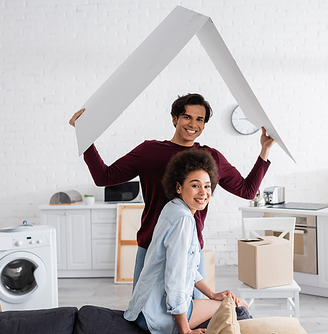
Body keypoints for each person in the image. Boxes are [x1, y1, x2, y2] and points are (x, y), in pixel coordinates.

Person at [69, 93, 275, 293]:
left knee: (192, 313)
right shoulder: (148, 151)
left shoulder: (211, 157)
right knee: (143, 315)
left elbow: (248, 191)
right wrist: (85, 136)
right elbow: (104, 177)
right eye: (187, 117)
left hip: (190, 250)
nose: (193, 124)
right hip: (150, 247)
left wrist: (264, 150)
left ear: (204, 125)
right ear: (175, 119)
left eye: (199, 119)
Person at [124, 149, 248, 334]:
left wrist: (212, 295)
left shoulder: (172, 208)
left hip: (142, 309)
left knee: (225, 303)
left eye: (207, 186)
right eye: (195, 185)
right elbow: (175, 278)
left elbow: (187, 268)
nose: (203, 193)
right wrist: (185, 331)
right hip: (156, 316)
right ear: (179, 187)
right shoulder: (183, 220)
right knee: (240, 306)